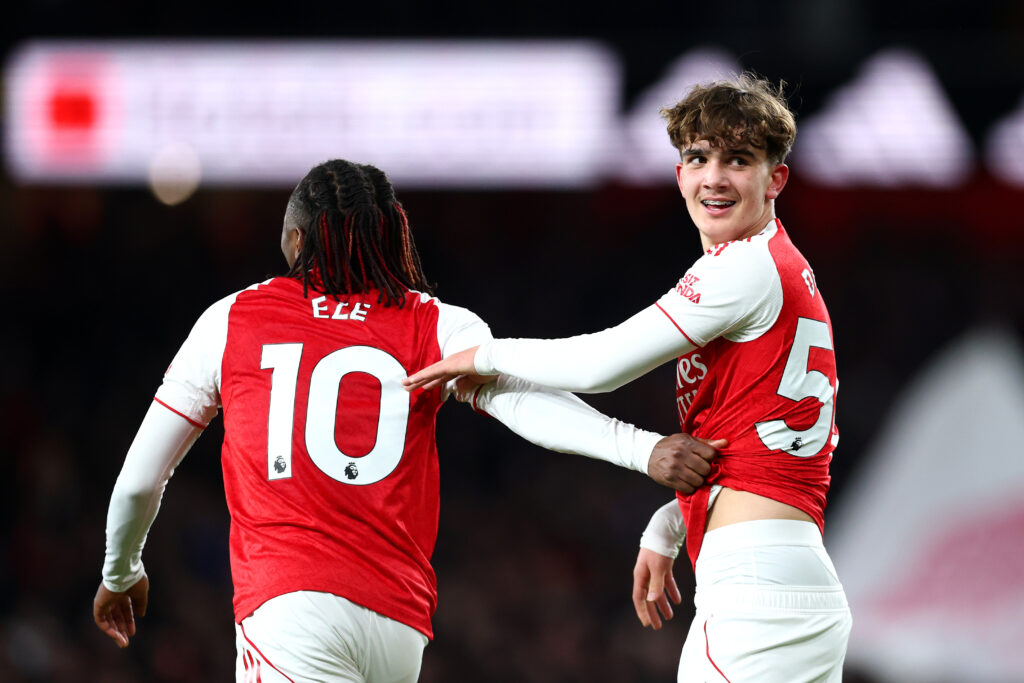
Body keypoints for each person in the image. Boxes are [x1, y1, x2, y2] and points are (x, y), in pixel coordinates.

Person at [92, 159, 722, 682]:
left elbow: (142, 481)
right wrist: (641, 449)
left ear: (294, 241)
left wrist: (121, 573)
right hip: (396, 627)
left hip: (290, 610)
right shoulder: (436, 324)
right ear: (394, 237)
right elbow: (524, 400)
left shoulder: (232, 319)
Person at [404, 73, 852, 681]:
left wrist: (484, 355)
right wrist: (670, 521)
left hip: (757, 592)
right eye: (698, 158)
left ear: (776, 178)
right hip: (781, 579)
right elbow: (768, 451)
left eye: (738, 160)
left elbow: (601, 364)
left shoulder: (744, 270)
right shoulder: (779, 269)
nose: (714, 177)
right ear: (679, 175)